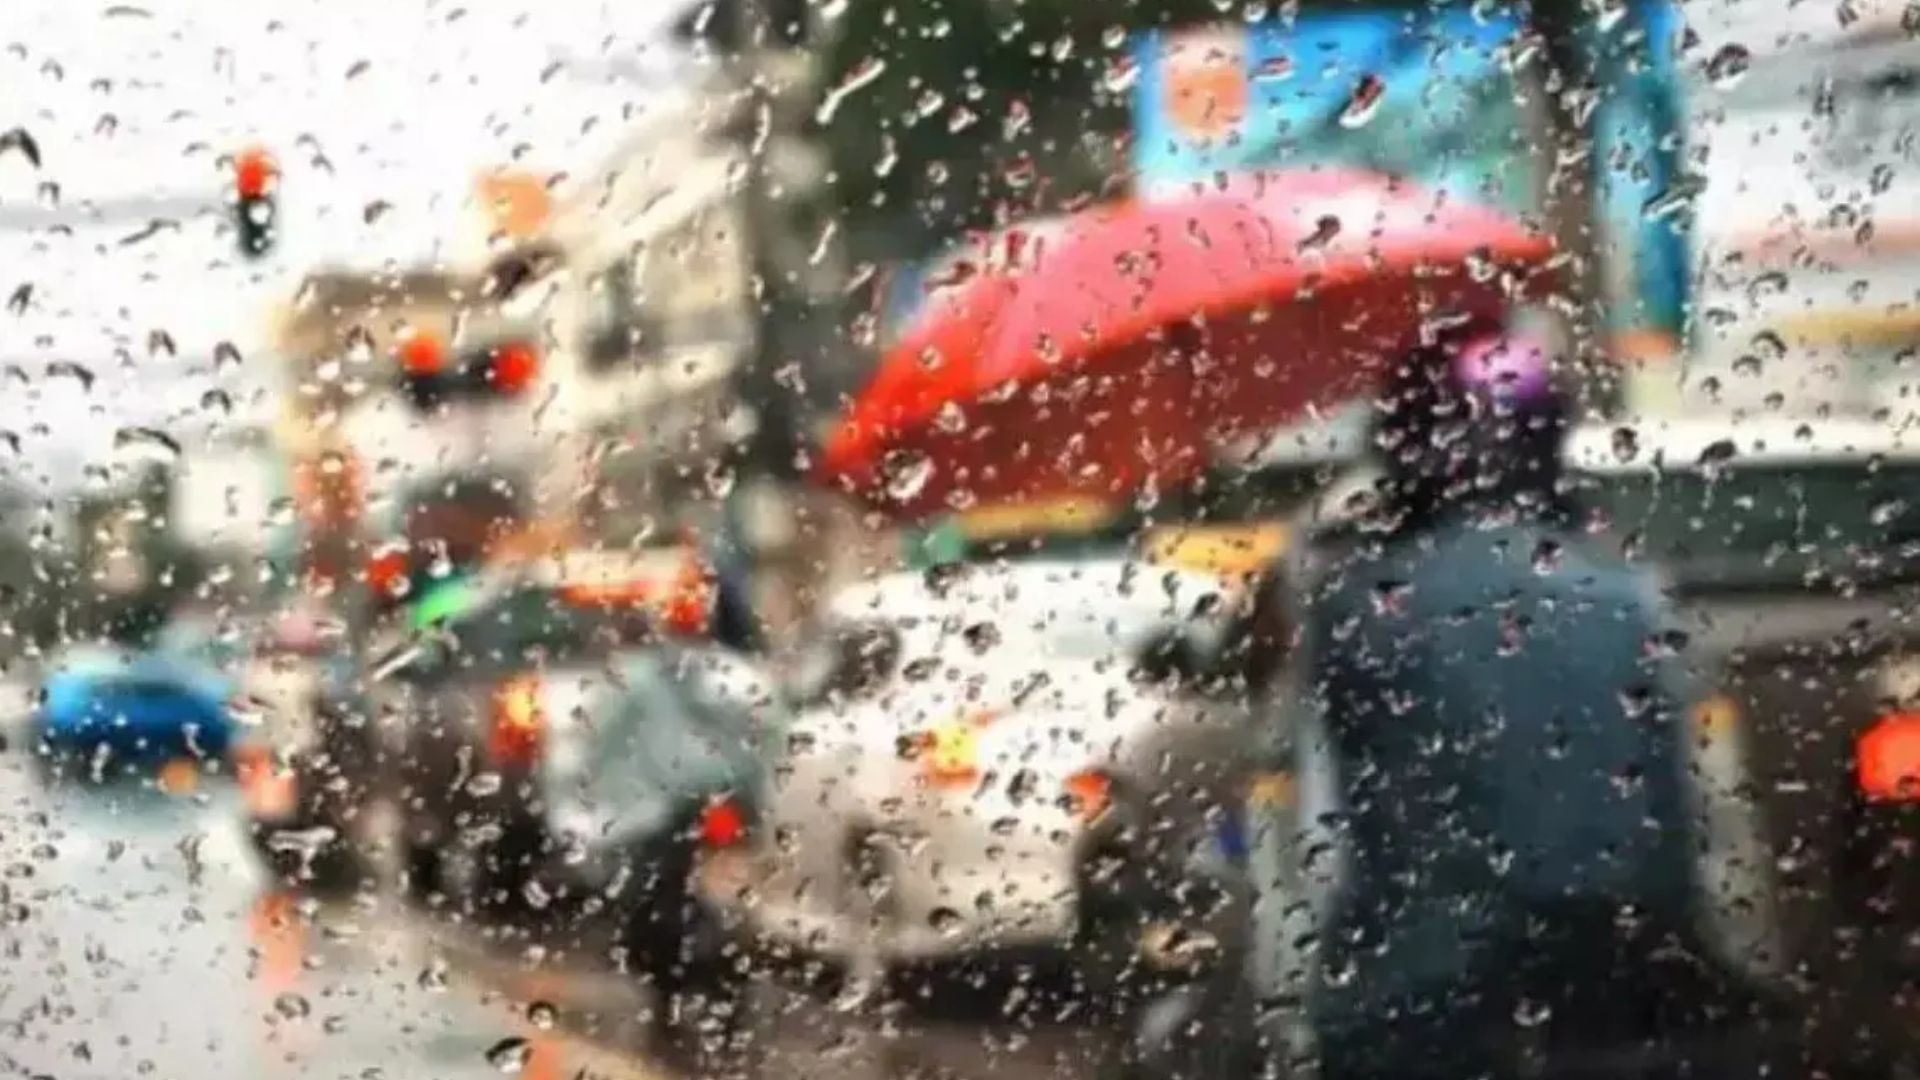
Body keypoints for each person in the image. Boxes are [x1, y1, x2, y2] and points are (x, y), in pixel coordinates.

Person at [1297, 325, 1776, 1079]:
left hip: (1414, 1005)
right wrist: (1743, 967)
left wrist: (1303, 1010)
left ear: (1400, 449)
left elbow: (1319, 836)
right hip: (1624, 992)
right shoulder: (1628, 594)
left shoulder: (1358, 607)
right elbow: (1712, 808)